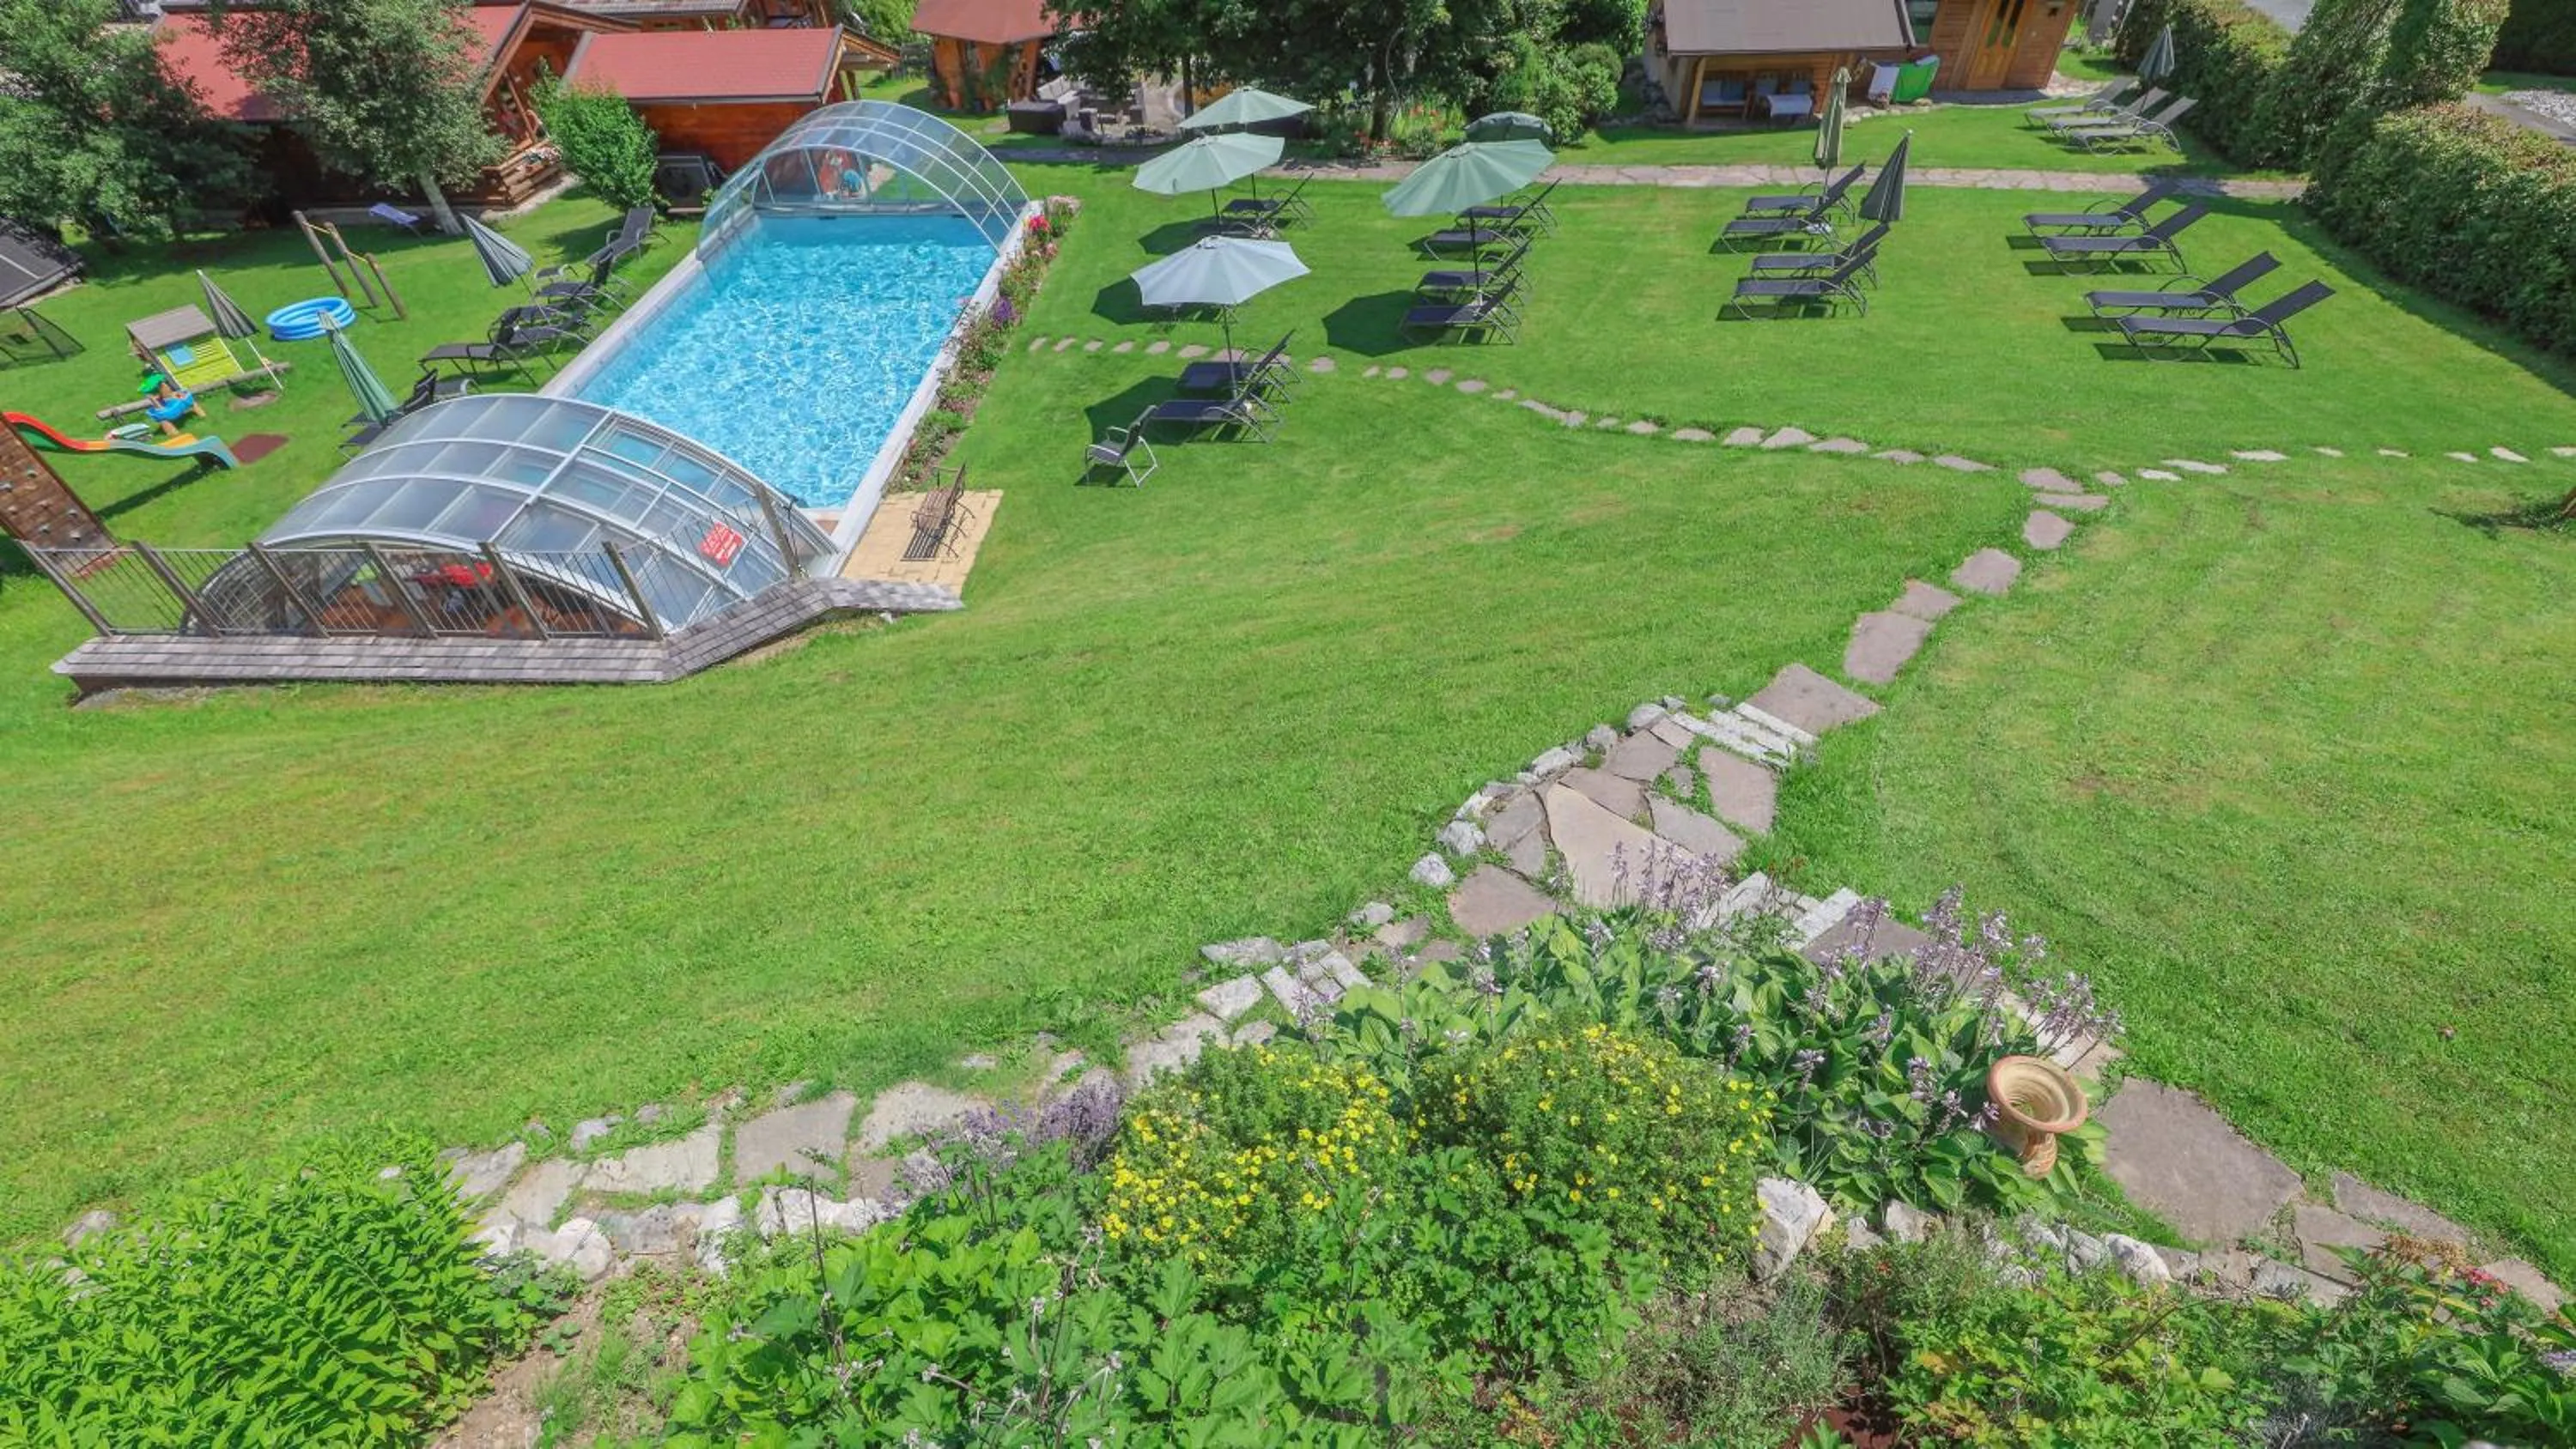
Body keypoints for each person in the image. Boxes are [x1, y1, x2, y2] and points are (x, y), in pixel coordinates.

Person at [138, 372, 204, 438]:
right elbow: (181, 396)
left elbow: (161, 410)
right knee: (188, 400)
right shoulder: (175, 394)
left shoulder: (162, 400)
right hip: (183, 403)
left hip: (171, 413)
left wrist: (153, 399)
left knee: (162, 417)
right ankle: (202, 415)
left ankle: (173, 433)